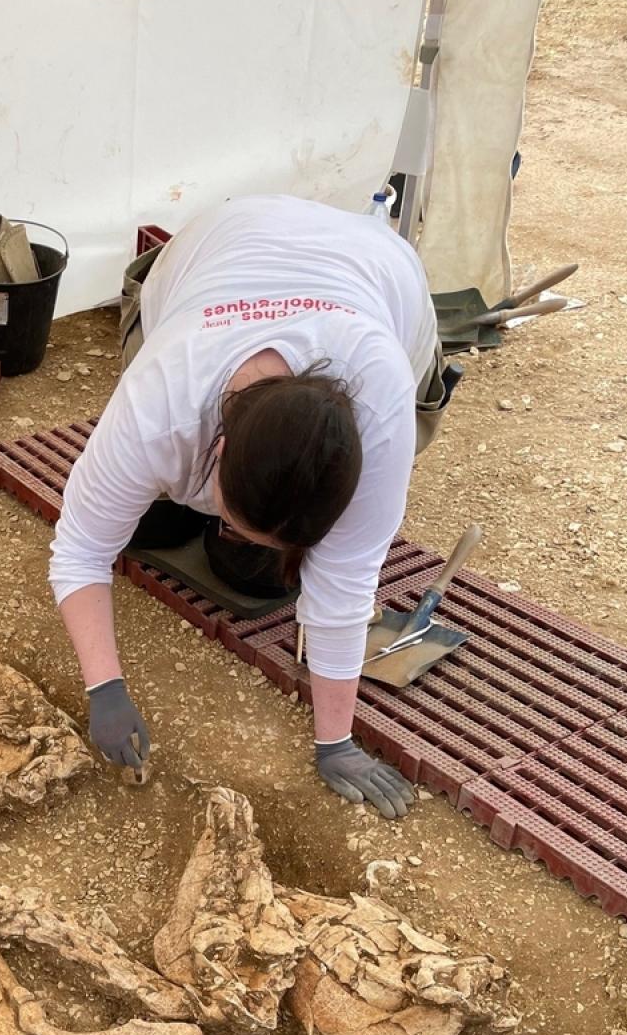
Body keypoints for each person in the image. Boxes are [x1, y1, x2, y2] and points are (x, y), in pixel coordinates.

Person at [50, 193, 456, 819]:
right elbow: (80, 549)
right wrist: (104, 685)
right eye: (236, 520)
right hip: (223, 238)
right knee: (142, 502)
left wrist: (336, 742)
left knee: (269, 575)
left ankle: (256, 531)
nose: (237, 535)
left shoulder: (382, 404)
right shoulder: (161, 401)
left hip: (377, 269)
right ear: (215, 445)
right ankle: (195, 509)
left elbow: (345, 584)